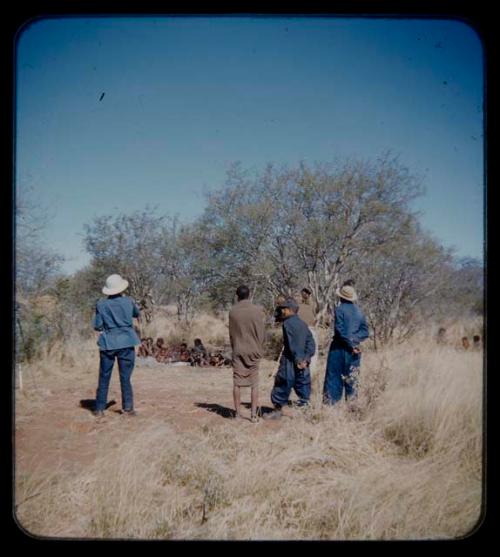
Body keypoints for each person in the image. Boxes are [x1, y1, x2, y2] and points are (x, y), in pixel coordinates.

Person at [92, 274, 141, 417]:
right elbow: (136, 314)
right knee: (125, 377)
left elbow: (98, 325)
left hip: (108, 343)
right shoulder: (128, 301)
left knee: (104, 376)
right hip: (127, 342)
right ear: (121, 288)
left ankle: (100, 408)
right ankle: (128, 408)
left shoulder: (101, 304)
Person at [264, 298, 316, 420]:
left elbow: (293, 344)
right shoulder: (303, 324)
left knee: (282, 383)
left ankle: (277, 411)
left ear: (288, 310)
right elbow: (311, 343)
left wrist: (298, 360)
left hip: (291, 360)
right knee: (303, 385)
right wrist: (306, 359)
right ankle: (305, 412)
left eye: (283, 309)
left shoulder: (288, 324)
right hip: (303, 361)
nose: (281, 311)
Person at [323, 284, 369, 406]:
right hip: (355, 350)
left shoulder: (339, 310)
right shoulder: (359, 312)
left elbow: (340, 330)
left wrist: (350, 343)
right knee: (352, 379)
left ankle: (330, 409)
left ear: (341, 297)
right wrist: (354, 342)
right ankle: (352, 408)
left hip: (339, 348)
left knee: (334, 378)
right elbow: (365, 332)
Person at [228, 285, 266, 422]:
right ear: (249, 295)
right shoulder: (257, 311)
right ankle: (253, 415)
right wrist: (259, 348)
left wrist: (234, 347)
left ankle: (237, 414)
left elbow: (231, 333)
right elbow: (261, 332)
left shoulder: (232, 312)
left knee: (237, 383)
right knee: (254, 383)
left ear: (237, 296)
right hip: (254, 349)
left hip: (238, 349)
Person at [297, 287, 319, 377]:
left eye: (306, 293)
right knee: (311, 352)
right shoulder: (312, 305)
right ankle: (309, 373)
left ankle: (309, 373)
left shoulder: (312, 305)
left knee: (306, 352)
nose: (305, 295)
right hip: (308, 330)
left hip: (303, 330)